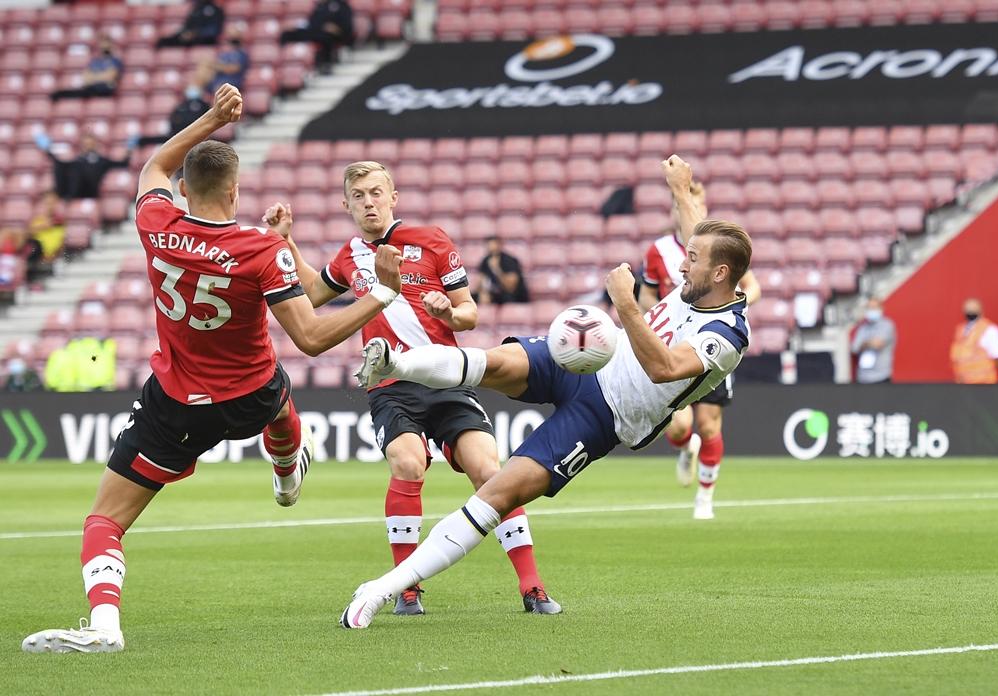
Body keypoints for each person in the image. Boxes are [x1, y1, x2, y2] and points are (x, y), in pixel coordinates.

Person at [22, 84, 404, 654]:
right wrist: (382, 294)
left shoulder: (156, 223)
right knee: (280, 395)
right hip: (250, 395)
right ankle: (285, 470)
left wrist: (212, 119)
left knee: (104, 521)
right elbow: (311, 337)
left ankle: (104, 627)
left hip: (175, 406)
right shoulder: (260, 247)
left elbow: (155, 163)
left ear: (182, 190)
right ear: (235, 191)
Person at [339, 156, 752, 629]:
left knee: (496, 493)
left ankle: (381, 589)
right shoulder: (703, 279)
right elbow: (696, 228)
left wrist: (625, 304)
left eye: (693, 259)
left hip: (605, 418)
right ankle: (394, 362)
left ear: (720, 273)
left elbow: (663, 368)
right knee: (493, 362)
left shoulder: (726, 335)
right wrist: (680, 188)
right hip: (587, 360)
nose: (681, 265)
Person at [276, 160, 560, 618]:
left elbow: (470, 315)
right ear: (346, 205)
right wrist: (285, 241)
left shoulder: (432, 240)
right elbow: (310, 293)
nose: (368, 202)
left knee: (491, 471)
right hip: (390, 385)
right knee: (407, 463)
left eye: (375, 192)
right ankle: (406, 589)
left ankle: (532, 587)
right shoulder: (350, 255)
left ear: (393, 197)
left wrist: (448, 312)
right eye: (358, 196)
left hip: (447, 378)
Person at [638, 172, 760, 519]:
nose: (692, 209)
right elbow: (645, 293)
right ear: (675, 210)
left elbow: (751, 287)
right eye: (686, 204)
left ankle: (705, 497)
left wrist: (730, 311)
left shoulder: (718, 248)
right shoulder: (659, 250)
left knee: (708, 426)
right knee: (678, 426)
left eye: (699, 204)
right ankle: (685, 447)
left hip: (711, 341)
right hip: (674, 344)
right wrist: (661, 312)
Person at [35, 132, 135, 201]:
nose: (88, 145)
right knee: (60, 168)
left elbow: (121, 164)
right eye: (86, 143)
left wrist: (130, 149)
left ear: (95, 144)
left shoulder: (101, 161)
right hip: (76, 189)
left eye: (90, 143)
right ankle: (63, 196)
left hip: (91, 190)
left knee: (77, 172)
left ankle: (69, 197)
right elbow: (61, 164)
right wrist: (48, 151)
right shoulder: (79, 160)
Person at [279, 0, 353, 74]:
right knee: (287, 34)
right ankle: (281, 61)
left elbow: (347, 26)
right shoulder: (320, 6)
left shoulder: (342, 6)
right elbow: (312, 23)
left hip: (333, 35)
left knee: (326, 37)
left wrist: (337, 29)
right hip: (316, 31)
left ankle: (326, 64)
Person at [50, 36, 122, 101]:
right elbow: (86, 76)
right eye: (103, 44)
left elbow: (110, 76)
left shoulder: (115, 61)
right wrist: (100, 77)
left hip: (104, 91)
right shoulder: (95, 61)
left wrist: (94, 77)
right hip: (90, 89)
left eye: (107, 45)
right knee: (59, 94)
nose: (104, 47)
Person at [950, 298, 998, 384]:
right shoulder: (960, 329)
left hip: (983, 384)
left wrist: (984, 372)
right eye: (968, 310)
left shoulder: (989, 329)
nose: (970, 312)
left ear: (981, 310)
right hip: (962, 382)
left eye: (973, 310)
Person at [137, 85, 211, 146]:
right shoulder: (181, 105)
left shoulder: (203, 105)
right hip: (177, 135)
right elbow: (174, 120)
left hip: (195, 136)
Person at [851, 297, 897, 384]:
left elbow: (878, 344)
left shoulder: (887, 325)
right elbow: (854, 348)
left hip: (881, 376)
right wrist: (868, 342)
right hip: (863, 376)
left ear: (881, 308)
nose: (871, 311)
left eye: (874, 308)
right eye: (869, 308)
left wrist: (864, 344)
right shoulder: (863, 328)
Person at [472, 236, 529, 305]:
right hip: (495, 293)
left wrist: (496, 270)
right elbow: (479, 281)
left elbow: (511, 287)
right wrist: (482, 293)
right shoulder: (486, 261)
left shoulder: (510, 260)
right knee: (472, 298)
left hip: (514, 295)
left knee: (507, 297)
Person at [195, 25, 249, 94]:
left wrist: (216, 66)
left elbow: (235, 68)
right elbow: (217, 65)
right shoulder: (225, 54)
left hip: (231, 81)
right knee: (201, 74)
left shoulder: (241, 53)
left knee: (220, 88)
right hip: (217, 79)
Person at [157, 0, 225, 48]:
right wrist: (182, 33)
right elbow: (188, 26)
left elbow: (215, 30)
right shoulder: (195, 9)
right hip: (189, 39)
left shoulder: (216, 10)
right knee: (164, 41)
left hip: (204, 40)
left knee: (198, 42)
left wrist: (196, 33)